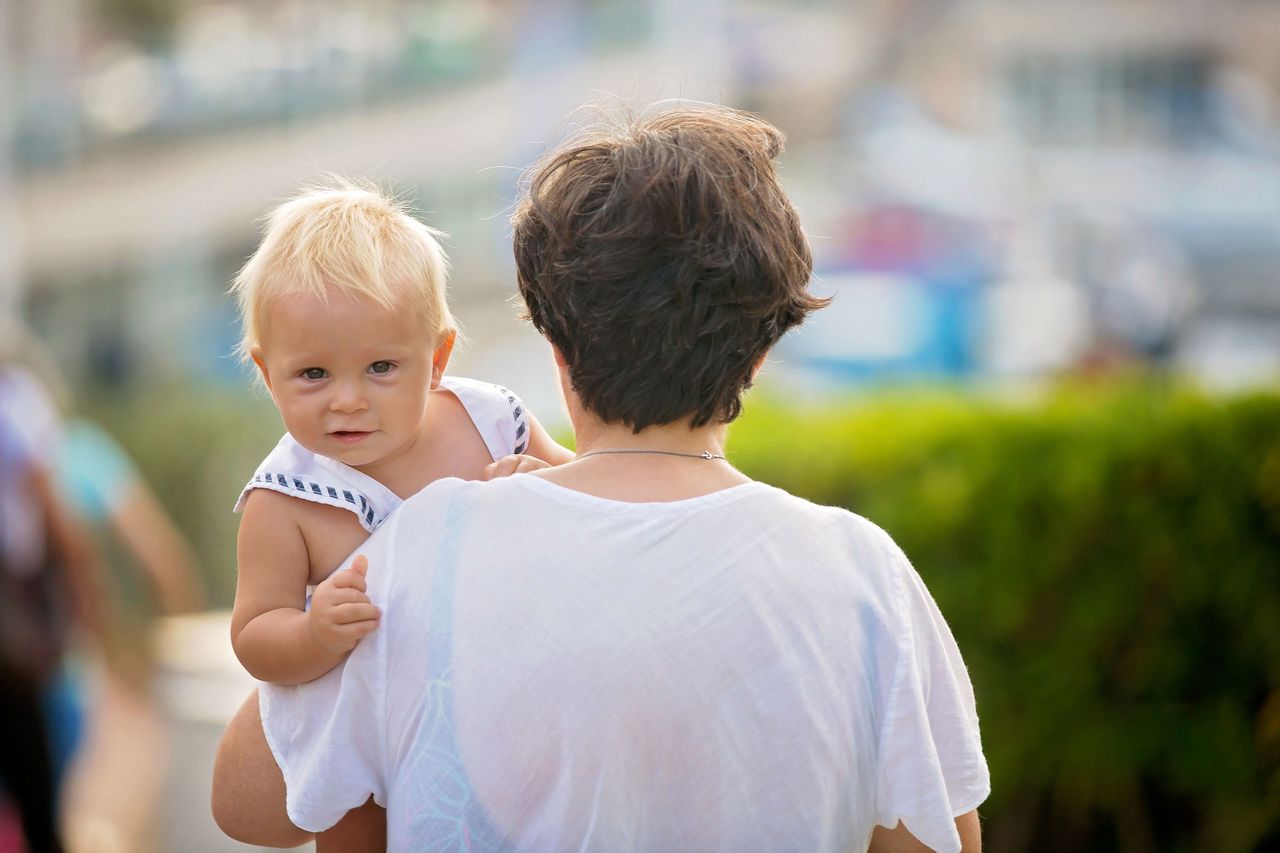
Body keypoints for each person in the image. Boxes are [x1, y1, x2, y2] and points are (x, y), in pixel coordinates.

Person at [213, 104, 989, 852]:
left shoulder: (413, 553)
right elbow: (936, 836)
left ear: (556, 341)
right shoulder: (867, 578)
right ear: (758, 353)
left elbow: (246, 804)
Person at [226, 183, 572, 847]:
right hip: (364, 718)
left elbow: (583, 491)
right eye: (313, 375)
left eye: (381, 366)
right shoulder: (285, 498)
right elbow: (255, 634)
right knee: (354, 821)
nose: (348, 400)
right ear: (268, 375)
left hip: (496, 697)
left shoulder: (492, 421)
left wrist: (541, 480)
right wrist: (315, 633)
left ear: (437, 359)